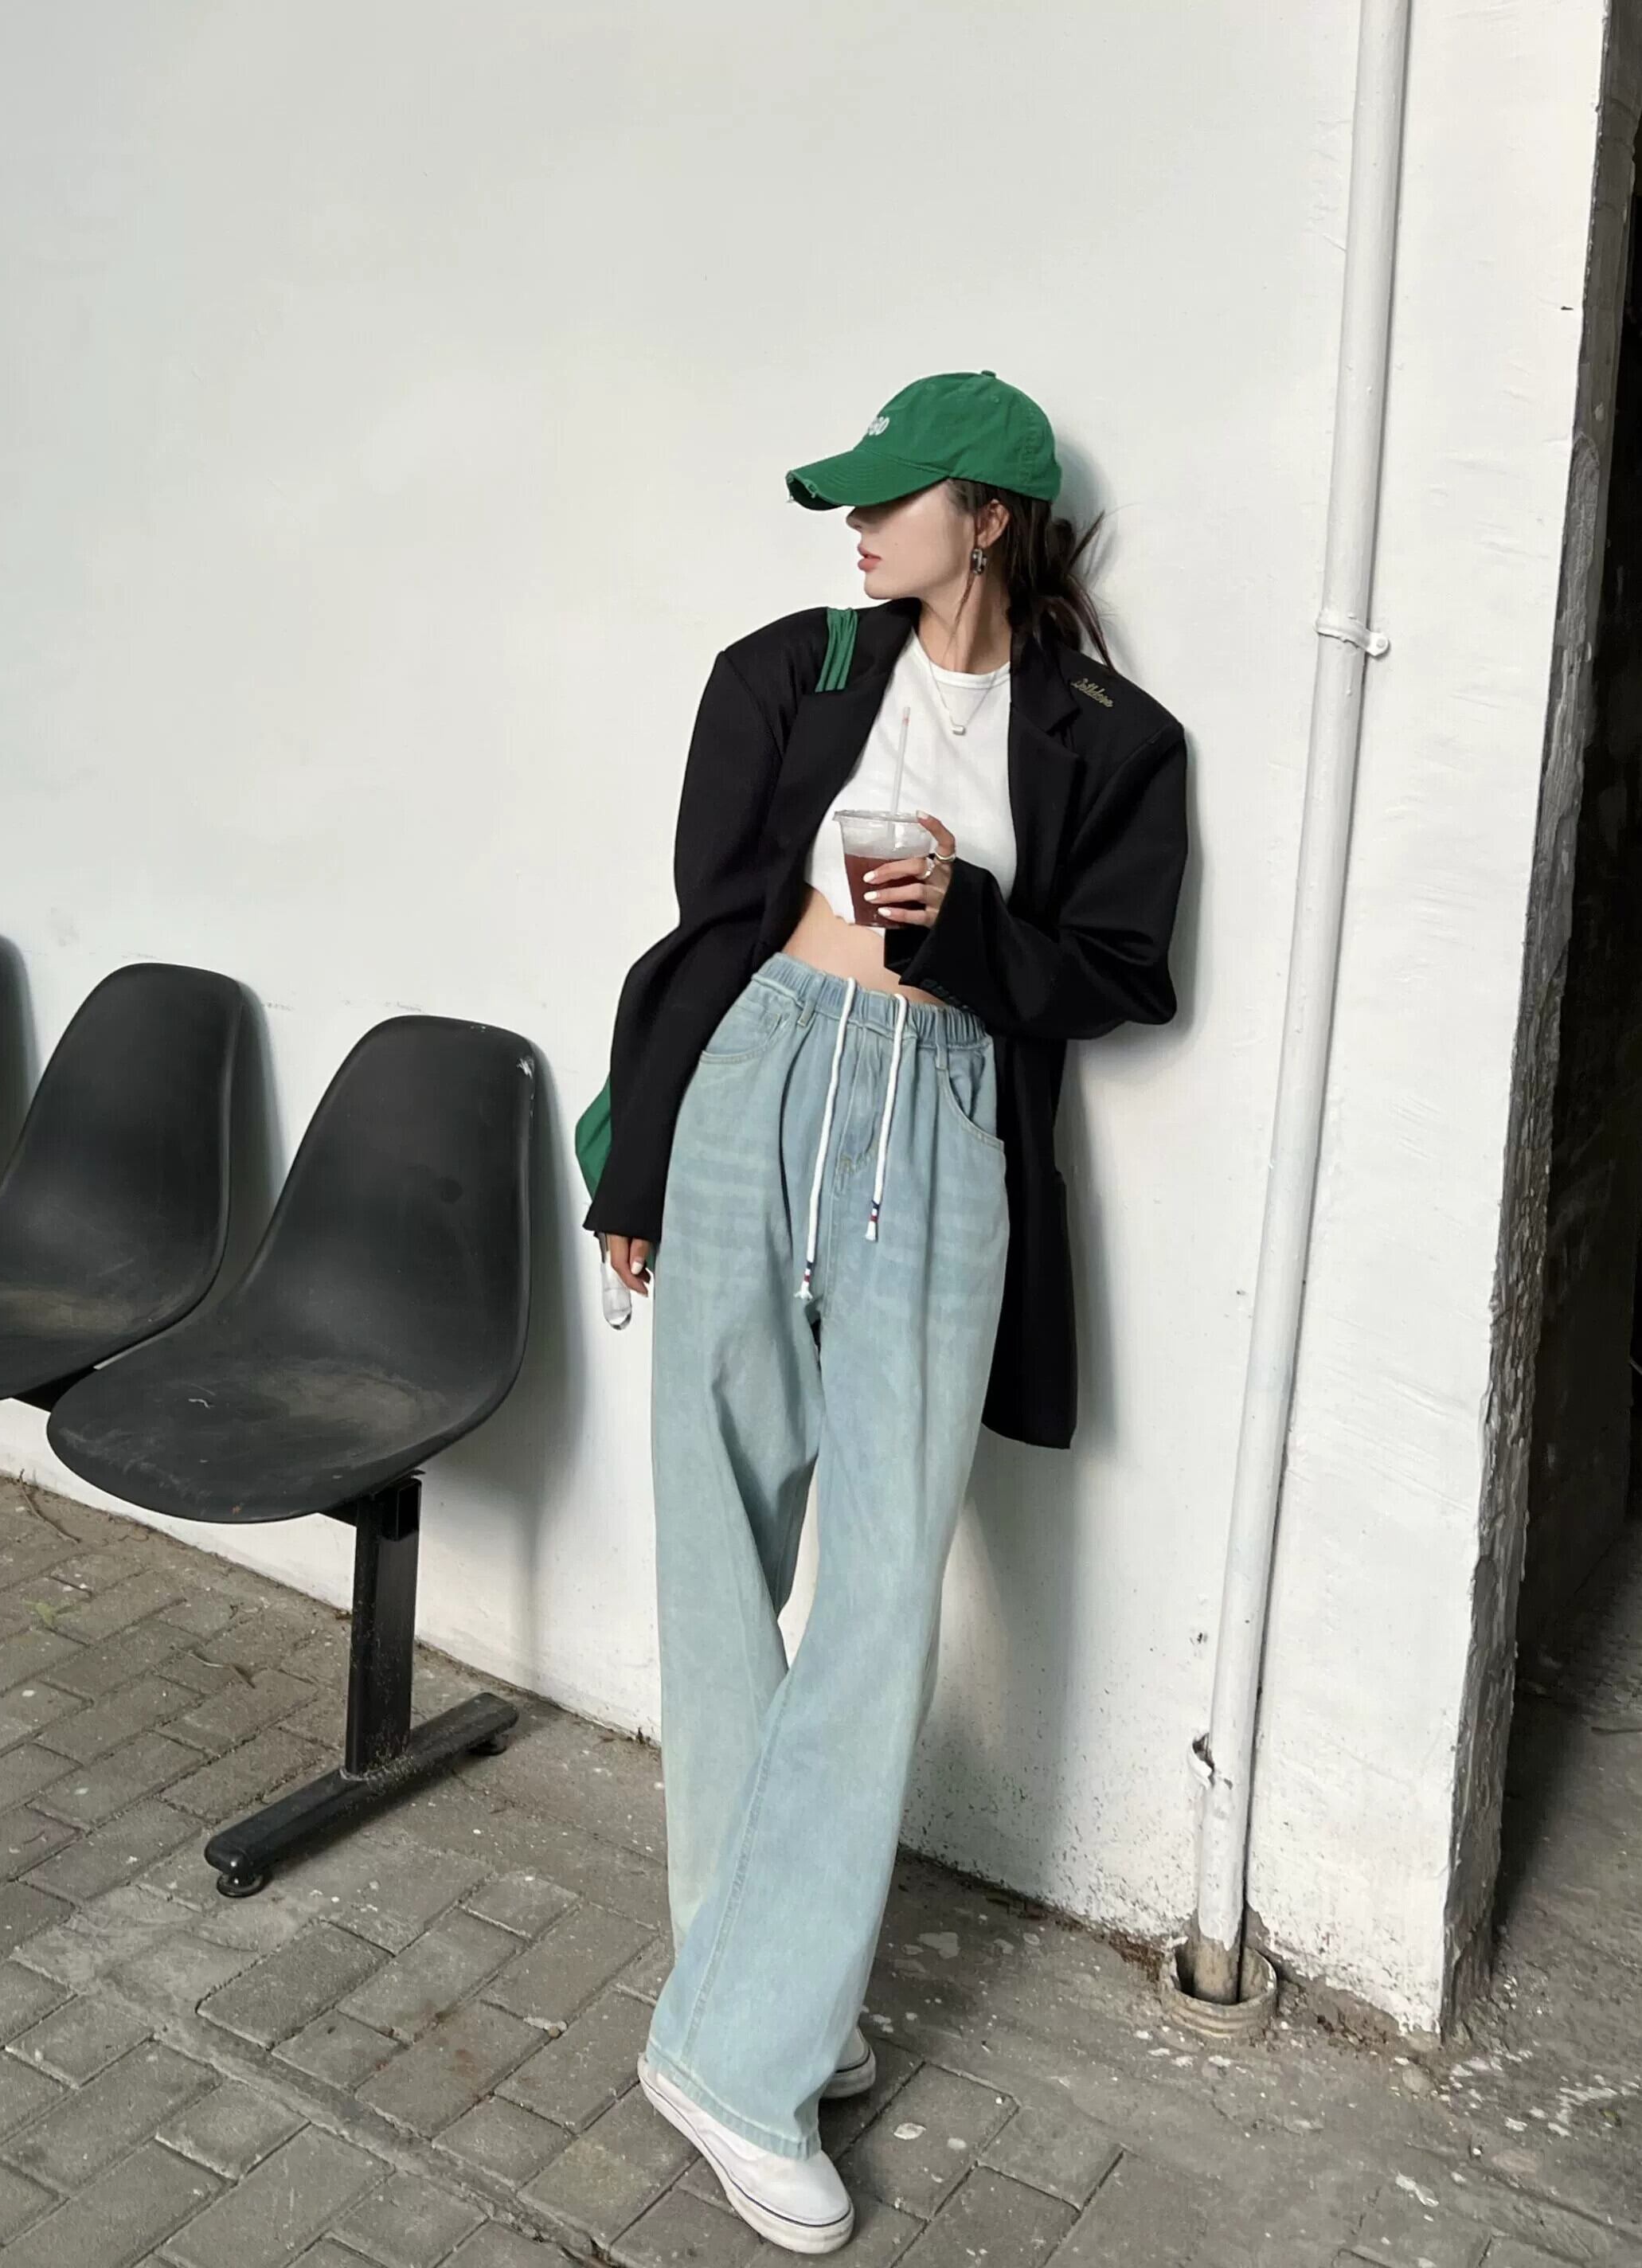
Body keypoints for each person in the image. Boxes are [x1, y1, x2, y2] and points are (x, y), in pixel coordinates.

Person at [581, 370, 1189, 2253]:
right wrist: (637, 1162)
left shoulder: (1108, 736)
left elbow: (1121, 972)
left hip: (940, 1115)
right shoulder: (783, 669)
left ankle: (735, 2030)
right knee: (715, 1545)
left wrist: (963, 921)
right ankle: (761, 2017)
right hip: (757, 1080)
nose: (854, 525)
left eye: (889, 497)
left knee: (877, 1589)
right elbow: (706, 930)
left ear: (985, 517)